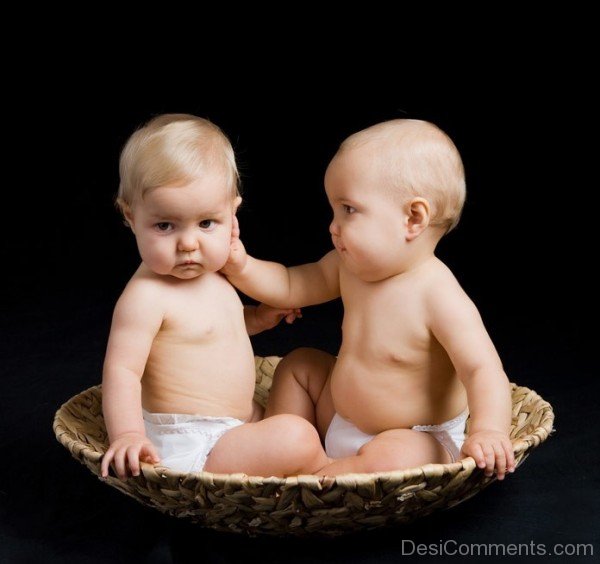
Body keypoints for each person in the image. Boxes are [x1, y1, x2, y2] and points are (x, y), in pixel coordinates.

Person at [223, 119, 516, 479]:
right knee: (300, 366)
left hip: (410, 436)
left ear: (413, 218)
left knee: (400, 455)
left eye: (348, 209)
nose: (333, 225)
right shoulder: (350, 268)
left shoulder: (438, 295)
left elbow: (482, 369)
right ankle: (279, 446)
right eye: (334, 210)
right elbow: (290, 284)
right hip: (339, 416)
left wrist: (490, 430)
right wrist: (241, 265)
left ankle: (317, 477)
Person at [100, 114, 328, 480]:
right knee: (296, 435)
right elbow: (122, 371)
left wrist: (258, 317)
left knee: (303, 366)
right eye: (164, 226)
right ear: (131, 217)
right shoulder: (145, 296)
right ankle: (334, 474)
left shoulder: (215, 271)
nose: (189, 243)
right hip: (194, 443)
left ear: (232, 212)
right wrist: (128, 434)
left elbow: (215, 331)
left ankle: (323, 448)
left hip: (242, 424)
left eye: (207, 223)